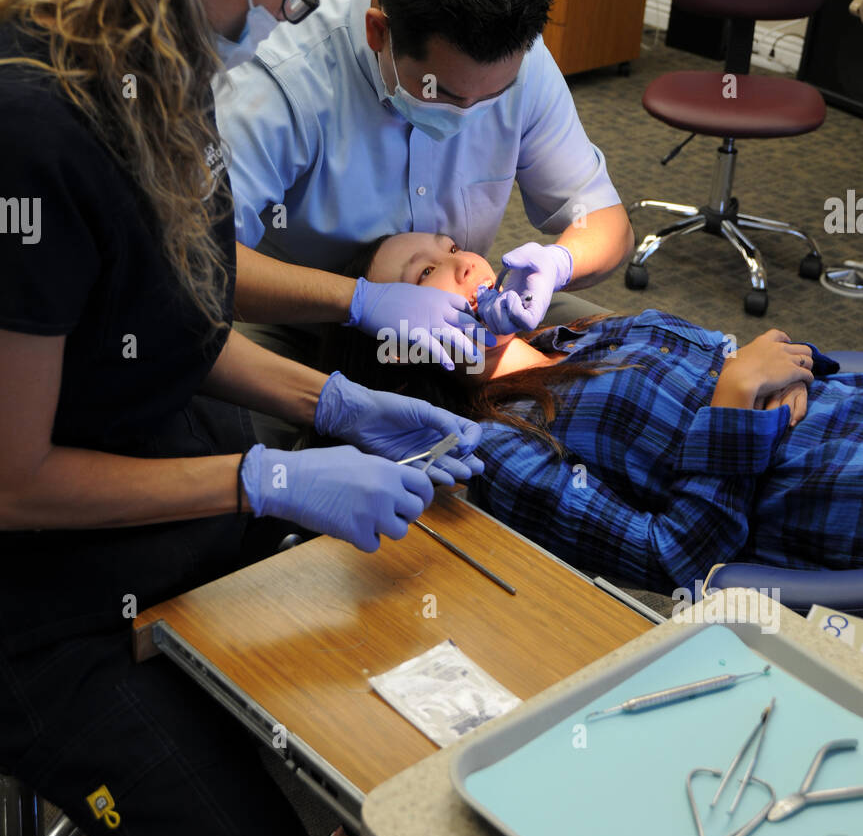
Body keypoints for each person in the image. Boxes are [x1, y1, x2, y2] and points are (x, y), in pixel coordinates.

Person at [0, 0, 483, 836]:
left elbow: (169, 312)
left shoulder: (152, 62)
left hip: (143, 446)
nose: (294, 8)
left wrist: (330, 398)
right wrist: (263, 471)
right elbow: (18, 480)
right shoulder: (33, 131)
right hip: (37, 575)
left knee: (404, 673)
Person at [214, 0, 634, 399]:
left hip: (472, 319)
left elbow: (606, 222)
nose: (469, 114)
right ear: (378, 32)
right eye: (448, 95)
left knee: (628, 362)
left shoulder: (519, 57)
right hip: (301, 322)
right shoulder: (280, 86)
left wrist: (559, 264)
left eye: (492, 96)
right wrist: (359, 302)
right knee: (270, 448)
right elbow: (201, 264)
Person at [316, 231, 862, 600]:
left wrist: (789, 369)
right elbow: (672, 562)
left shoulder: (584, 330)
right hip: (835, 486)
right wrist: (735, 403)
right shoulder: (500, 444)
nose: (466, 262)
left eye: (454, 246)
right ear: (395, 346)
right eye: (428, 271)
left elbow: (749, 355)